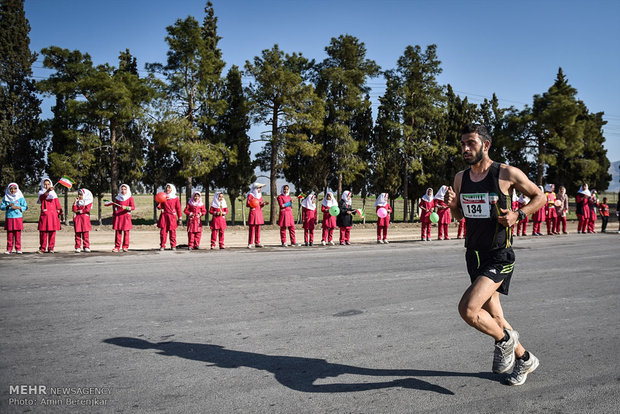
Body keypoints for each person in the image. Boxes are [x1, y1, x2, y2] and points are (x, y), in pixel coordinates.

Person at [445, 123, 545, 386]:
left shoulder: (506, 173)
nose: (466, 148)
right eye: (463, 143)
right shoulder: (460, 178)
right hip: (474, 255)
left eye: (471, 143)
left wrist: (518, 214)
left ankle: (504, 341)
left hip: (499, 255)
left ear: (485, 145)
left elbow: (540, 196)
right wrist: (454, 206)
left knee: (468, 309)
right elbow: (461, 217)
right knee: (496, 318)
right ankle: (525, 360)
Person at [37, 177, 62, 253]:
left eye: (48, 184)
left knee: (52, 232)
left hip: (53, 215)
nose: (46, 186)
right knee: (43, 232)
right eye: (45, 184)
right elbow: (43, 197)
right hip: (45, 215)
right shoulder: (41, 192)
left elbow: (57, 204)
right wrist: (48, 191)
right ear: (42, 185)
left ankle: (51, 248)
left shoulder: (54, 194)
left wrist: (60, 212)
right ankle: (42, 248)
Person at [1, 183, 27, 254]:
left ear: (17, 189)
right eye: (11, 189)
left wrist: (18, 207)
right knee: (10, 234)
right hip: (9, 217)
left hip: (18, 217)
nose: (13, 190)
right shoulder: (6, 197)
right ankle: (9, 249)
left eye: (15, 189)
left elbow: (25, 206)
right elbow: (2, 207)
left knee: (18, 233)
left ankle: (18, 248)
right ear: (8, 189)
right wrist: (8, 206)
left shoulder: (20, 197)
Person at [157, 183, 182, 251]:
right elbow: (160, 206)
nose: (167, 189)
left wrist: (180, 218)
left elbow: (178, 208)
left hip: (172, 217)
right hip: (164, 216)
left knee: (172, 232)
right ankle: (162, 245)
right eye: (167, 188)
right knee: (163, 232)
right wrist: (159, 206)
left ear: (172, 189)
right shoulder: (163, 197)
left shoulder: (175, 198)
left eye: (169, 188)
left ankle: (173, 245)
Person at [112, 184, 135, 252]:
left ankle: (125, 246)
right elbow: (115, 207)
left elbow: (133, 207)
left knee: (126, 232)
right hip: (118, 217)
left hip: (126, 217)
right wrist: (114, 214)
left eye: (125, 189)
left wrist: (126, 207)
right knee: (118, 232)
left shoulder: (130, 198)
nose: (123, 191)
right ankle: (117, 247)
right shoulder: (117, 198)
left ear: (127, 190)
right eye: (122, 189)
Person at [247, 182, 268, 248]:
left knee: (258, 228)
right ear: (255, 188)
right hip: (253, 213)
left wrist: (263, 204)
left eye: (260, 188)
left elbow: (260, 205)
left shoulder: (260, 195)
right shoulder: (251, 195)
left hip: (259, 213)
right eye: (259, 188)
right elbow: (248, 204)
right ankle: (250, 243)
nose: (260, 189)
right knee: (252, 228)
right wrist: (253, 204)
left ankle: (257, 242)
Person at [72, 188, 93, 253]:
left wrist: (79, 211)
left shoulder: (88, 202)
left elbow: (87, 210)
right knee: (77, 234)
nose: (79, 196)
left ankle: (86, 246)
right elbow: (74, 209)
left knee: (85, 234)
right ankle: (78, 247)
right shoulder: (77, 202)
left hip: (85, 219)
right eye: (78, 195)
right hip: (78, 219)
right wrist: (75, 203)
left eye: (81, 195)